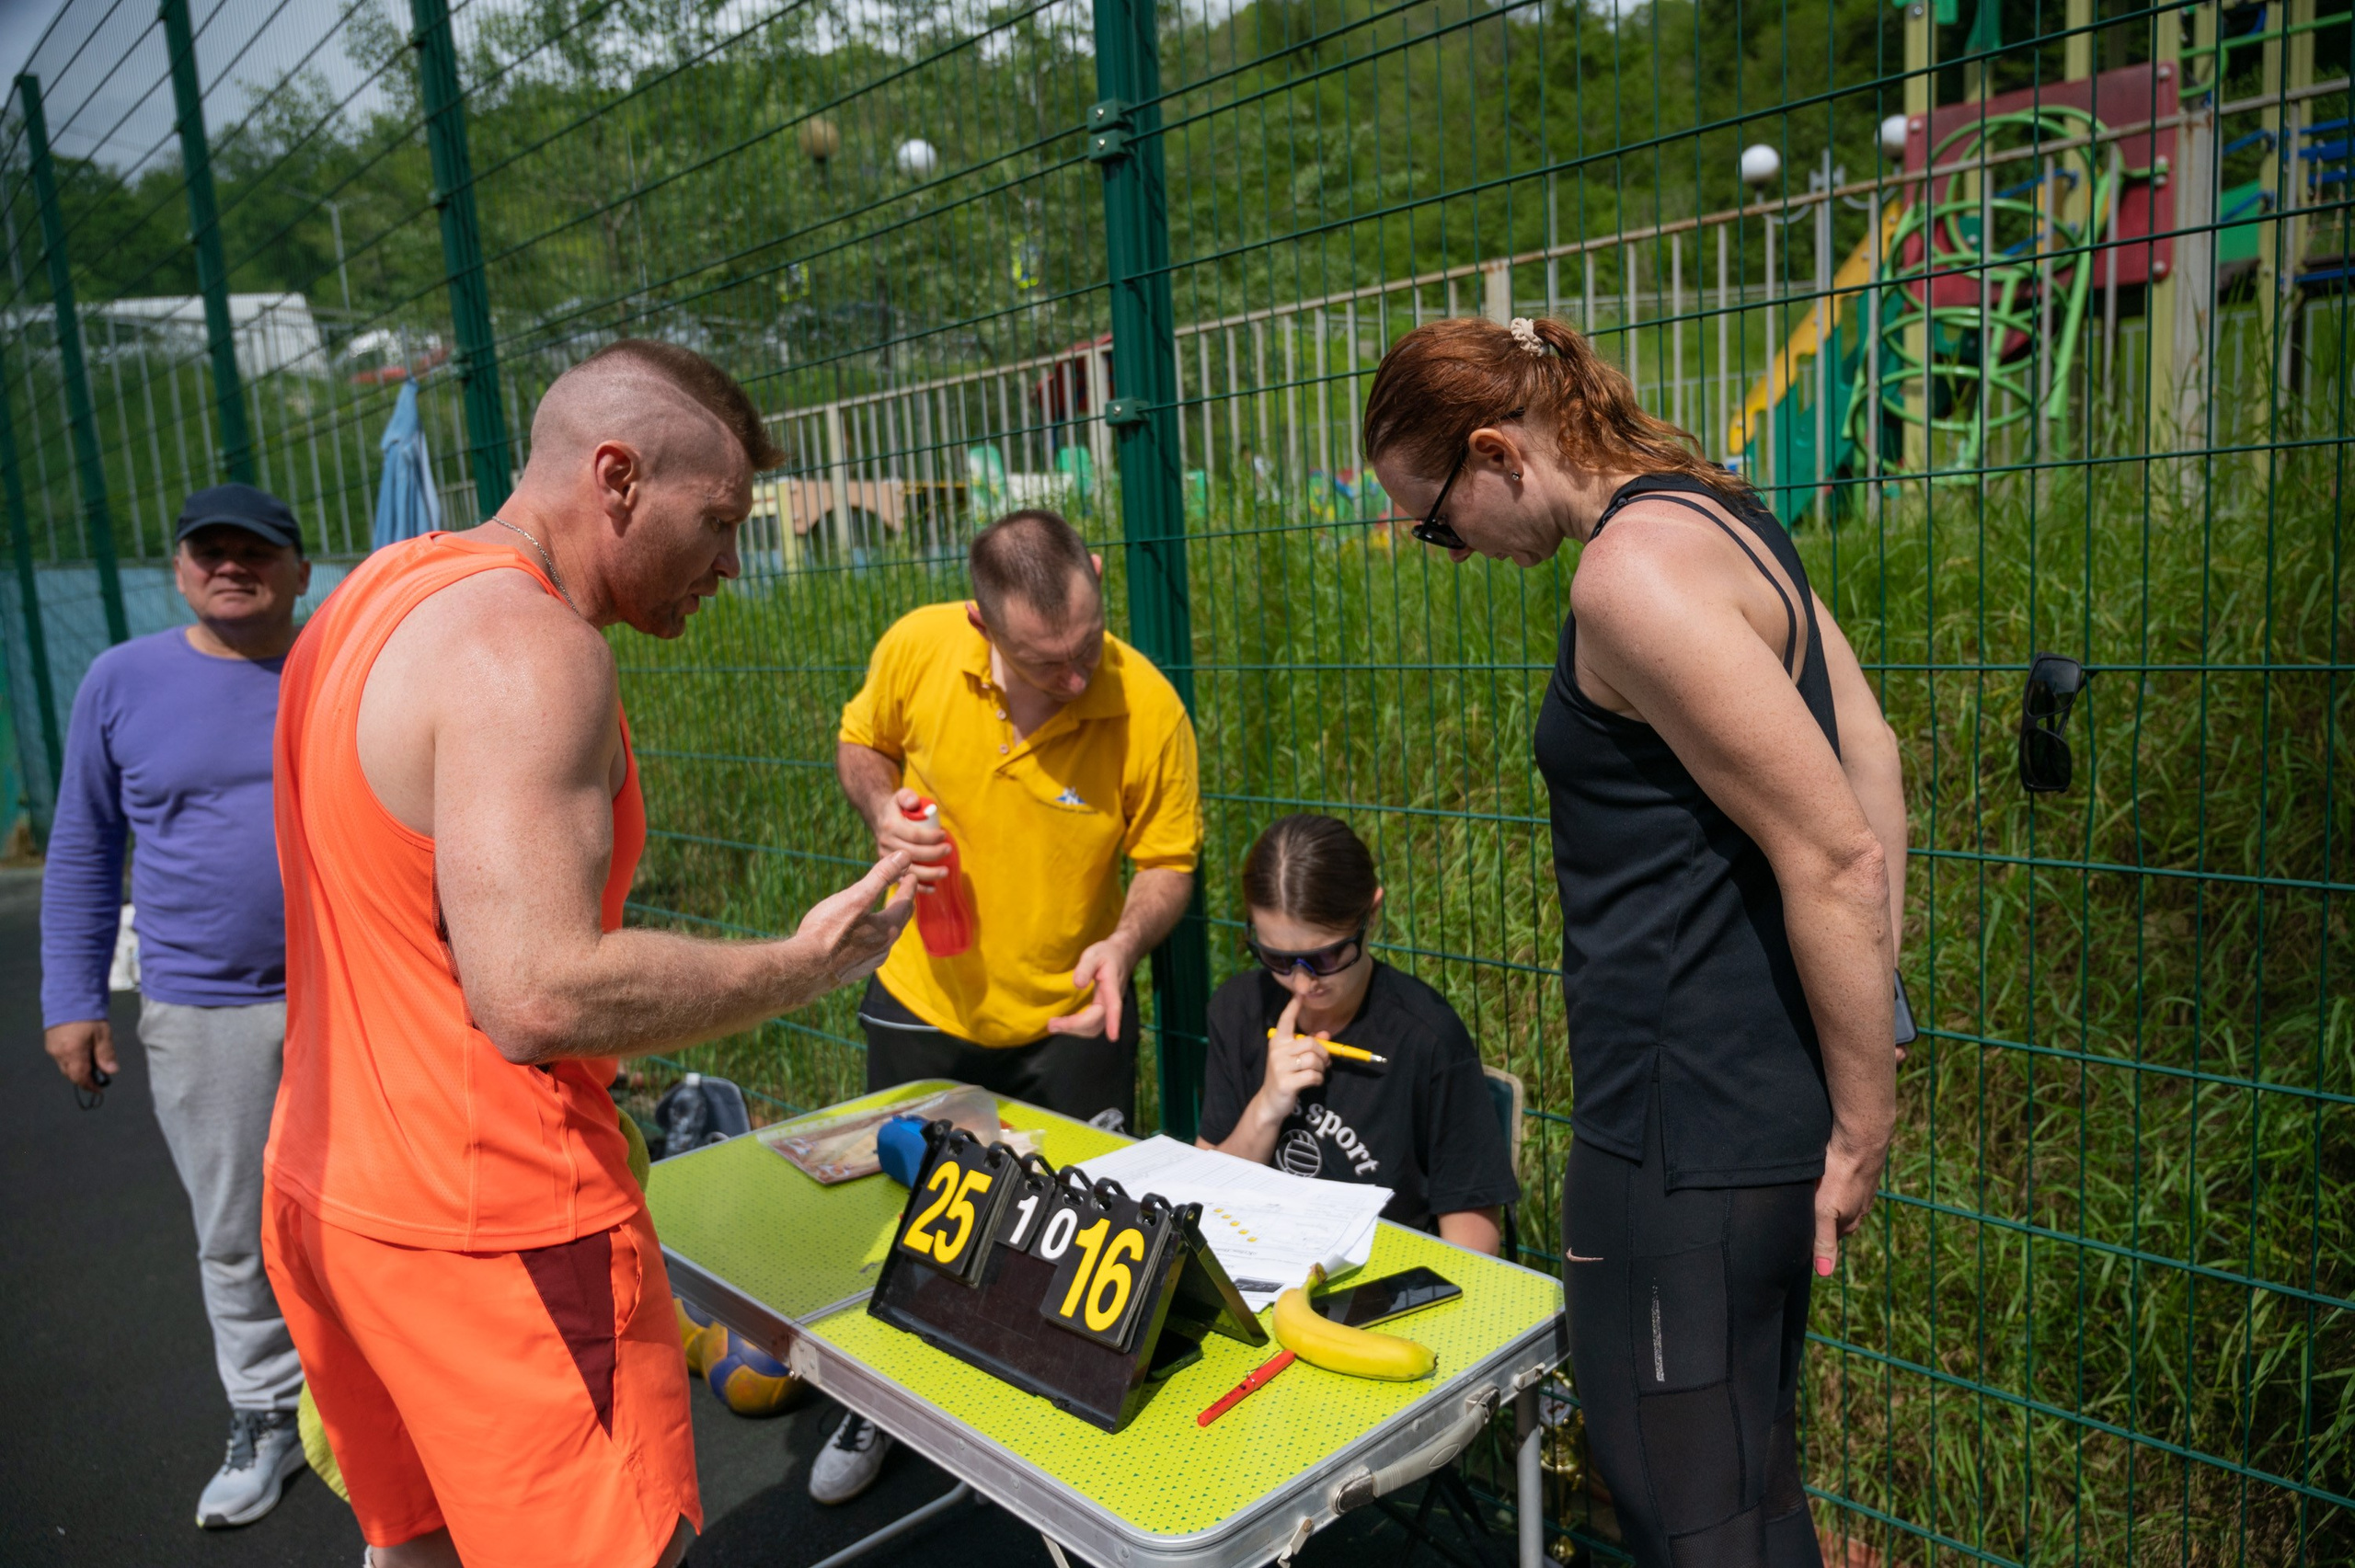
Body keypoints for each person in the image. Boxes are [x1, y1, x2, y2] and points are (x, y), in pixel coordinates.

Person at [264, 338, 914, 1568]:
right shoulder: (535, 651)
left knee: (414, 1547)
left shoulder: (368, 597)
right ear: (614, 476)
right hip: (499, 1226)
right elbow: (538, 991)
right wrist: (802, 962)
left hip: (333, 1192)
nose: (733, 561)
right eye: (718, 520)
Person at [1363, 315, 1906, 1568]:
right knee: (1755, 1489)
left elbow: (1833, 854)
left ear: (1496, 452)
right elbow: (1869, 754)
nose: (1446, 552)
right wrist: (1862, 1054)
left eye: (1434, 521)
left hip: (1675, 1131)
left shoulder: (1624, 579)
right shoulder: (1719, 517)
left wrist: (1869, 1113)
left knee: (1686, 1511)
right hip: (1766, 1115)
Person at [825, 507, 1200, 1501]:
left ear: (1097, 579)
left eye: (1087, 646)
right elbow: (862, 743)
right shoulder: (916, 646)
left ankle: (1052, 1431)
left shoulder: (1147, 705)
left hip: (1068, 1020)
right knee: (901, 1217)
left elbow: (1166, 861)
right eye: (1048, 663)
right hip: (922, 993)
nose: (1078, 677)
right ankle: (878, 1403)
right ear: (979, 625)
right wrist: (880, 809)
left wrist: (1122, 940)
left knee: (1072, 1238)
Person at [40, 484, 313, 1529]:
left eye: (256, 549)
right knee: (237, 1227)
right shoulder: (122, 680)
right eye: (210, 549)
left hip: (362, 993)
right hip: (204, 1009)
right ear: (180, 566)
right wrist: (71, 1000)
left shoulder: (338, 663)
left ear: (299, 568)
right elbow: (81, 848)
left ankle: (388, 1399)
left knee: (383, 1209)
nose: (231, 564)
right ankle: (264, 1410)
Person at [1197, 814, 1519, 1252]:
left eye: (1326, 958)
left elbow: (1474, 1239)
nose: (1302, 983)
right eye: (1276, 958)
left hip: (1384, 1286)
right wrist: (1267, 1108)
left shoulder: (1428, 1038)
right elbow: (1202, 1194)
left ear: (1372, 913)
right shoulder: (1239, 1009)